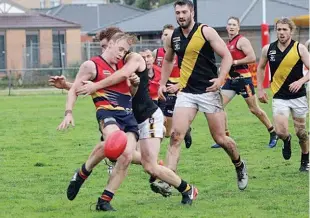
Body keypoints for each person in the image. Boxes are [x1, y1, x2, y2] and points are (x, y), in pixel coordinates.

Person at [76, 36, 198, 204]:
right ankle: (102, 199)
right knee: (128, 156)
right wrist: (69, 86)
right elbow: (94, 88)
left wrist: (96, 85)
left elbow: (120, 76)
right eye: (103, 47)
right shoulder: (110, 66)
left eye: (110, 46)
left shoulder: (132, 59)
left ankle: (188, 190)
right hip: (132, 120)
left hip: (147, 117)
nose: (106, 51)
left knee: (149, 165)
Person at [152, 0, 248, 197]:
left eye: (184, 12)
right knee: (176, 136)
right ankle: (169, 181)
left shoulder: (206, 31)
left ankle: (239, 164)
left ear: (192, 12)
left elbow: (227, 57)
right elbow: (169, 59)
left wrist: (221, 79)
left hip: (209, 92)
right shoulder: (174, 37)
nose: (180, 16)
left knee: (220, 138)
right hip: (186, 92)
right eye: (177, 12)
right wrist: (162, 83)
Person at [57, 32, 143, 212]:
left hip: (128, 116)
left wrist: (134, 83)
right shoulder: (92, 65)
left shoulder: (124, 66)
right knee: (114, 142)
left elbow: (131, 95)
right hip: (107, 113)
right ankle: (83, 173)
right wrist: (68, 112)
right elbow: (74, 90)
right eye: (119, 49)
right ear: (109, 44)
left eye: (125, 51)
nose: (121, 54)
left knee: (126, 156)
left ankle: (104, 200)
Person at [211, 16, 278, 148]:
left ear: (238, 27)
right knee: (218, 106)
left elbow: (252, 57)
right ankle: (225, 137)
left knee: (254, 109)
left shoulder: (242, 41)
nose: (231, 27)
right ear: (226, 27)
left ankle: (273, 132)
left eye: (234, 25)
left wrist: (235, 62)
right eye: (229, 24)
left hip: (243, 80)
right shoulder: (228, 43)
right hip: (231, 81)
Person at [257, 18, 309, 172]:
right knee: (280, 131)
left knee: (301, 133)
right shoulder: (268, 49)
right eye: (279, 29)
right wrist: (260, 89)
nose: (281, 32)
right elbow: (260, 68)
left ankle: (305, 158)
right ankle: (286, 140)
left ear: (291, 31)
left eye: (285, 29)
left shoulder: (299, 48)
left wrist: (300, 81)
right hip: (279, 96)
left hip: (298, 96)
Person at [154, 24, 192, 148]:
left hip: (177, 87)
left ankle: (184, 130)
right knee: (163, 121)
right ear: (161, 37)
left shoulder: (179, 52)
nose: (167, 37)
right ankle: (183, 130)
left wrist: (178, 85)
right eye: (165, 34)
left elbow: (187, 71)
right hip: (162, 87)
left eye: (170, 35)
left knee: (168, 119)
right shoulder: (156, 53)